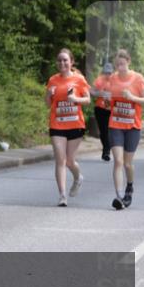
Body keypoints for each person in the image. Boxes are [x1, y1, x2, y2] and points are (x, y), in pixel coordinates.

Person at [105, 49, 144, 210]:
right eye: (117, 65)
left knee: (128, 164)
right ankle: (119, 196)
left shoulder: (138, 79)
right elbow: (108, 99)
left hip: (132, 126)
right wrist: (106, 100)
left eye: (122, 64)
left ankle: (129, 187)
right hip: (116, 124)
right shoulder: (112, 78)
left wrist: (132, 98)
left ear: (128, 62)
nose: (120, 68)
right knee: (118, 160)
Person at [45, 49, 90, 207]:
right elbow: (48, 104)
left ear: (71, 62)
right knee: (60, 159)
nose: (62, 63)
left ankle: (78, 178)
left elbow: (88, 100)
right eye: (59, 60)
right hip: (57, 123)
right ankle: (62, 195)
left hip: (75, 124)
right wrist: (49, 95)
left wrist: (74, 99)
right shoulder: (53, 80)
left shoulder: (79, 79)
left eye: (65, 60)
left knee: (70, 161)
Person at [92, 62, 115, 161]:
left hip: (112, 109)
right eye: (106, 73)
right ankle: (106, 149)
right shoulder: (99, 80)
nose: (108, 75)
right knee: (103, 131)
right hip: (100, 109)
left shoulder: (116, 81)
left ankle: (106, 151)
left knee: (108, 131)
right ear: (103, 72)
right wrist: (99, 93)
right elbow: (91, 91)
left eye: (109, 73)